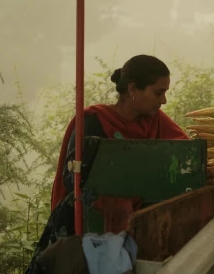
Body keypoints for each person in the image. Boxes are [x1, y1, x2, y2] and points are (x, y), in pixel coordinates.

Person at [50, 54, 188, 231]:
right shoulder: (94, 122)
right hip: (94, 229)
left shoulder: (155, 120)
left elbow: (187, 154)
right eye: (158, 93)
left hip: (146, 224)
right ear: (132, 89)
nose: (163, 101)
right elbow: (73, 181)